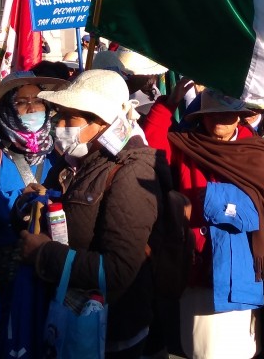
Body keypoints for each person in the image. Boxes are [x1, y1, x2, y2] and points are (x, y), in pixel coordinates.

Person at [19, 69, 166, 358]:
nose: (58, 124)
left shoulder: (132, 171)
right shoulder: (75, 161)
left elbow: (119, 270)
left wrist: (44, 254)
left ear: (100, 122)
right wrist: (34, 204)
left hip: (109, 331)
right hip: (67, 317)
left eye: (68, 116)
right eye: (58, 114)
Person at [143, 83, 264, 359]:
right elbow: (149, 148)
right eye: (211, 114)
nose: (218, 119)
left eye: (225, 113)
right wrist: (167, 105)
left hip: (239, 265)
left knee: (234, 347)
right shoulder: (187, 145)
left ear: (239, 116)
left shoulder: (257, 153)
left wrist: (222, 206)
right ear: (200, 117)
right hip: (196, 261)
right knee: (200, 346)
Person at [0, 72, 67, 351]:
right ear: (6, 109)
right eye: (22, 102)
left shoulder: (58, 150)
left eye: (37, 100)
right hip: (1, 272)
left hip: (46, 263)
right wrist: (20, 200)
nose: (32, 108)